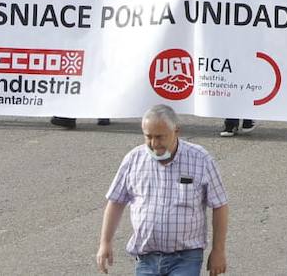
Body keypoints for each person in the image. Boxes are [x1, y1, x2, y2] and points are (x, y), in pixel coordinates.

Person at [97, 104, 229, 276]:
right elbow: (115, 202)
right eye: (148, 137)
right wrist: (105, 243)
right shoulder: (133, 160)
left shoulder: (200, 159)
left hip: (186, 258)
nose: (154, 144)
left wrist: (218, 251)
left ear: (176, 131)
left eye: (160, 137)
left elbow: (220, 205)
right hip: (146, 259)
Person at [49, 0, 130, 129]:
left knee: (101, 65)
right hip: (79, 21)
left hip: (105, 21)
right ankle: (69, 113)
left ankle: (103, 108)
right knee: (76, 65)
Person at [190, 0, 266, 137]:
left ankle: (245, 113)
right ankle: (231, 120)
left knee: (244, 70)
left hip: (245, 29)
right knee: (228, 70)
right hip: (220, 28)